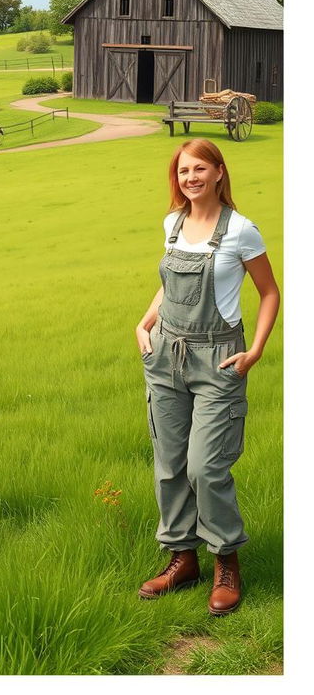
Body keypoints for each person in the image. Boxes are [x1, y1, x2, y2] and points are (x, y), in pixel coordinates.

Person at [135, 138, 280, 615]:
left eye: (199, 169)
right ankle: (182, 559)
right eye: (182, 172)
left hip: (218, 359)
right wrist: (145, 322)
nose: (190, 178)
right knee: (170, 462)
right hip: (165, 356)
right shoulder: (172, 223)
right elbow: (168, 283)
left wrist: (254, 351)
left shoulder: (241, 231)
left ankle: (226, 562)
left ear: (219, 172)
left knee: (205, 466)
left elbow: (269, 292)